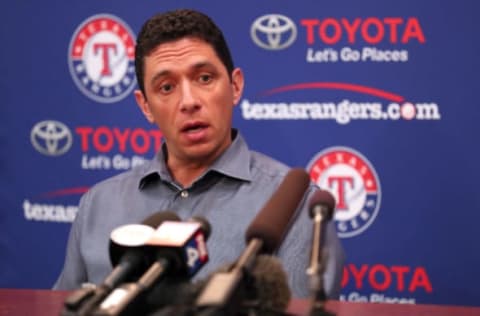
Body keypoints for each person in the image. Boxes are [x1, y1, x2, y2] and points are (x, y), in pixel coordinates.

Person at [54, 8, 345, 299]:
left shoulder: (295, 205)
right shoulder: (98, 204)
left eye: (204, 79)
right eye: (167, 87)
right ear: (145, 106)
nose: (189, 101)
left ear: (235, 86)